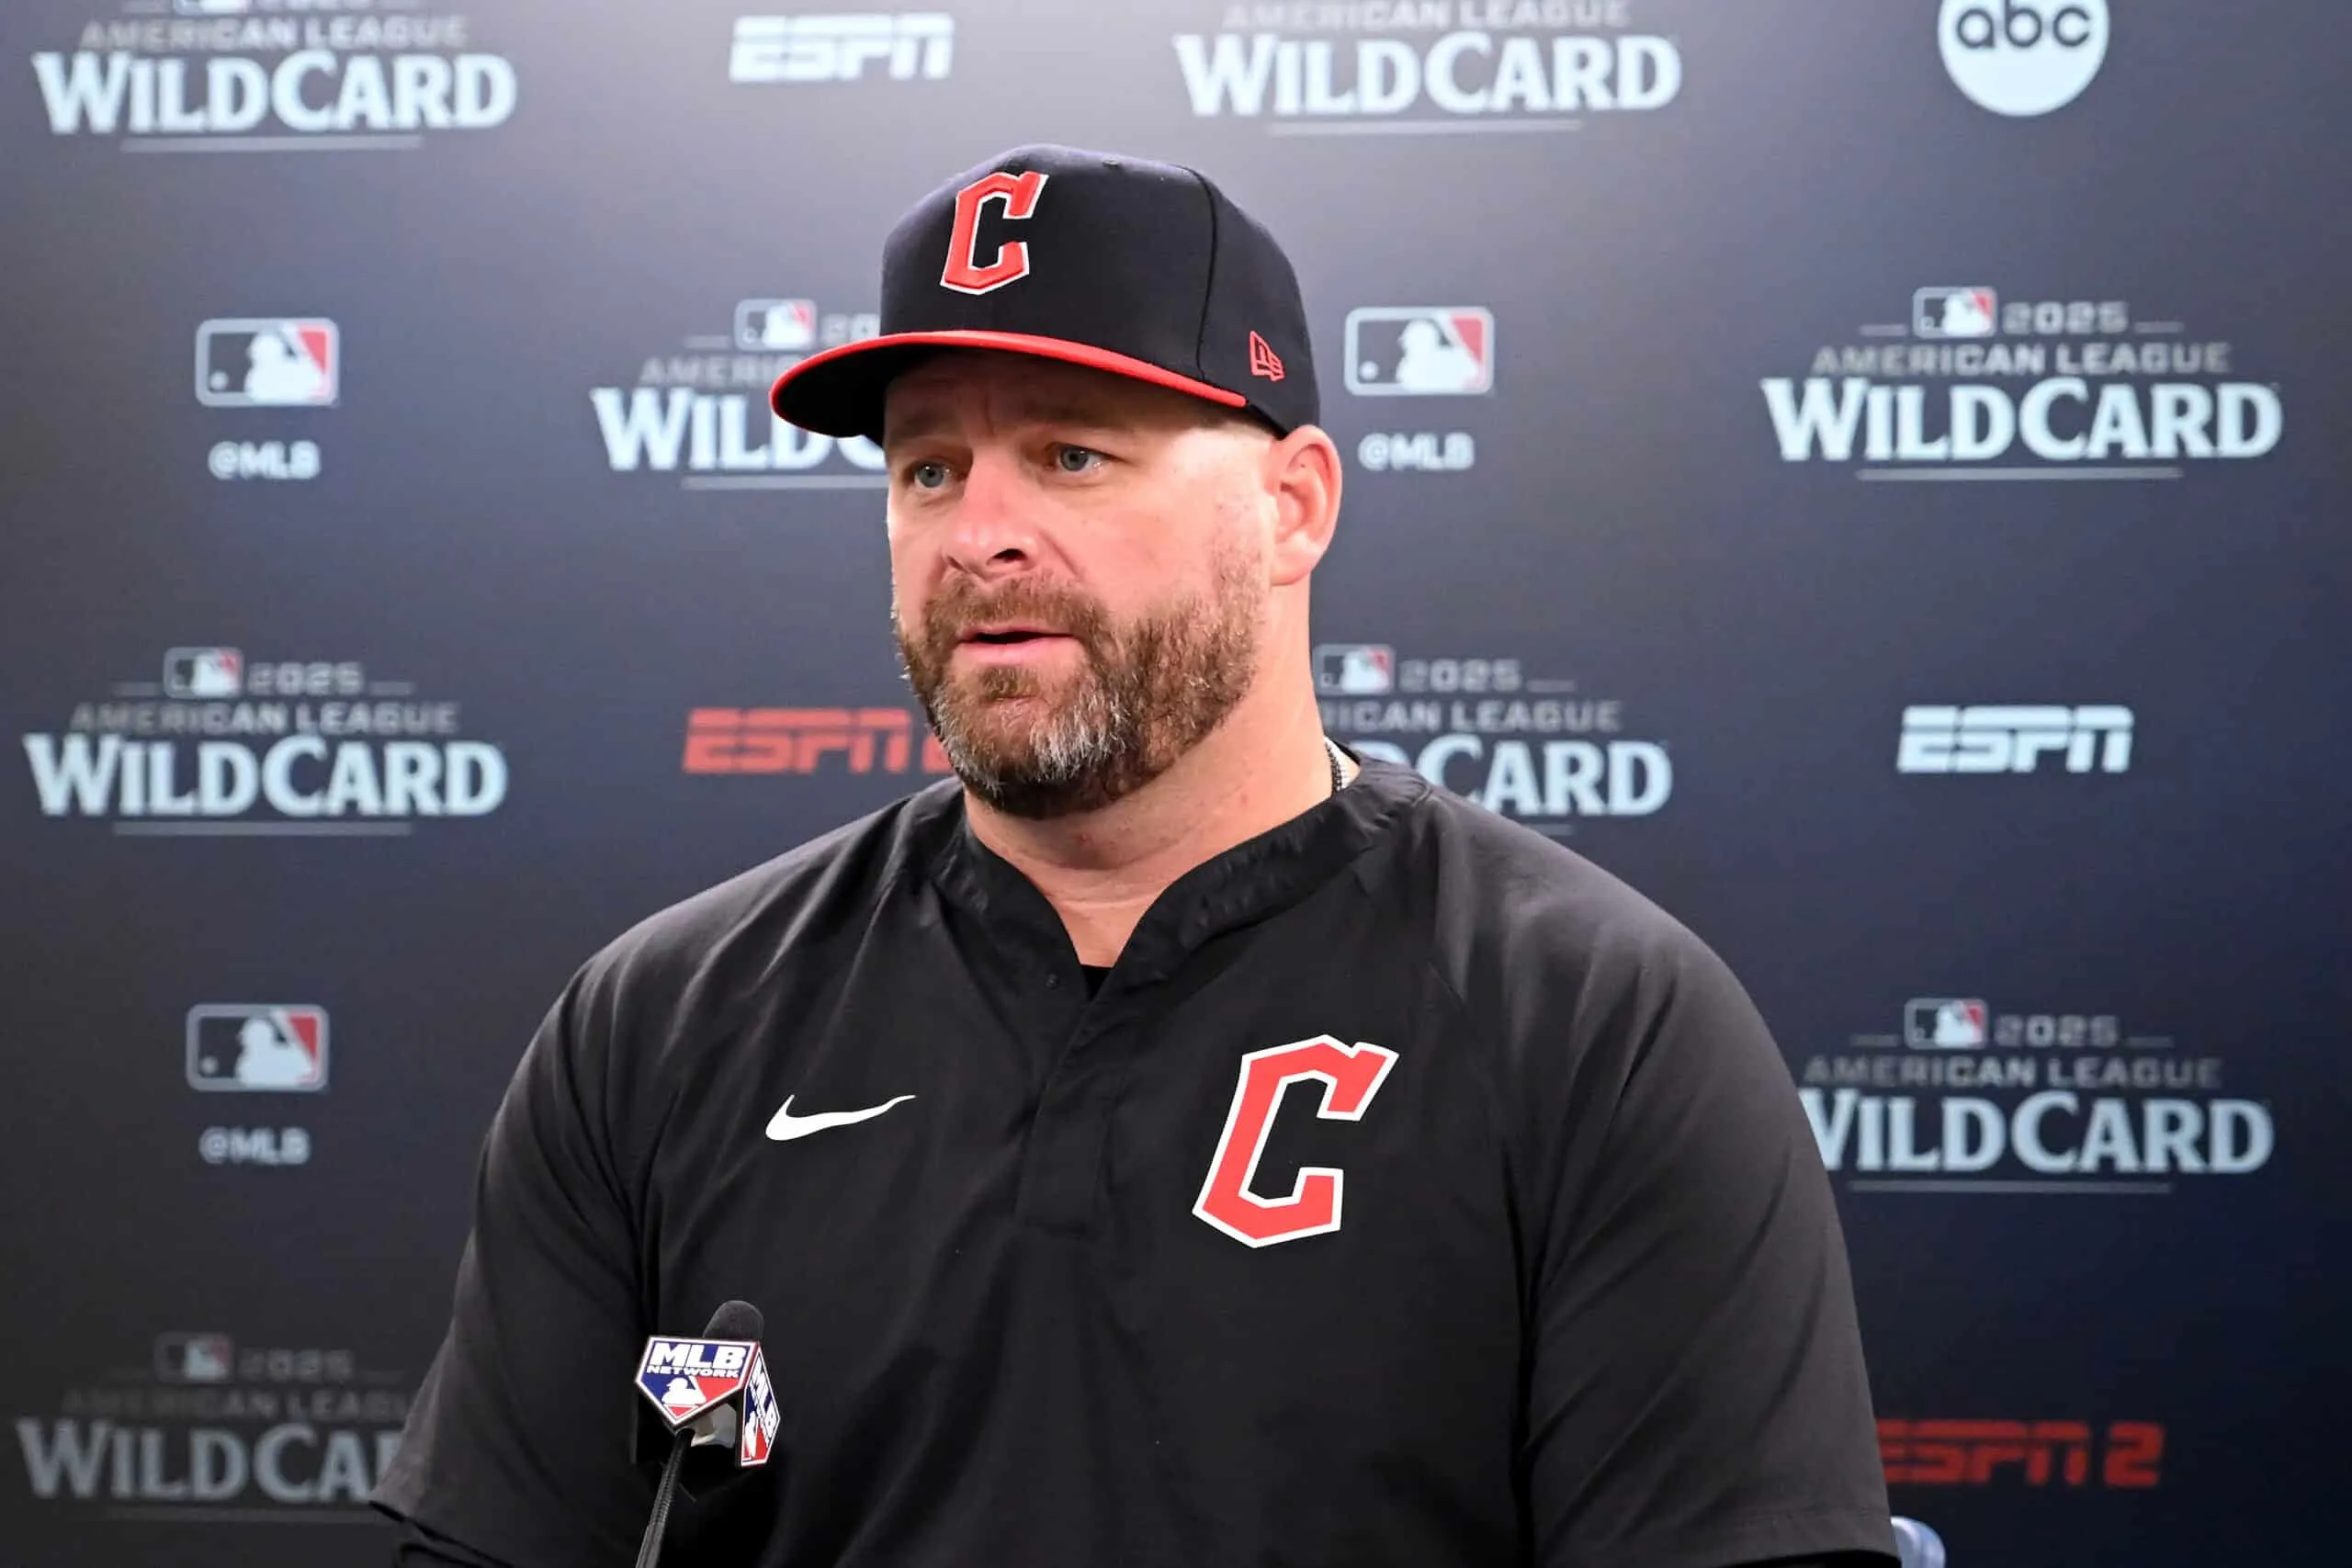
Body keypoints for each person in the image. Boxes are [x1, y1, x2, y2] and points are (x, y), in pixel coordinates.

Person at [373, 143, 1896, 1568]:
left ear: (1293, 506)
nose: (982, 534)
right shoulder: (662, 1024)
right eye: (928, 469)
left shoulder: (1596, 1024)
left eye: (1075, 455)